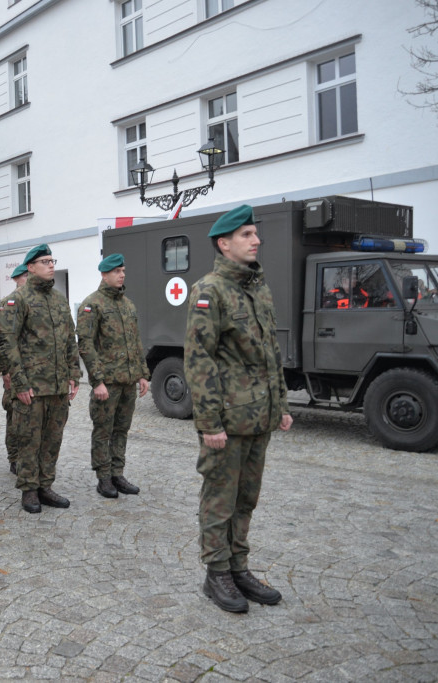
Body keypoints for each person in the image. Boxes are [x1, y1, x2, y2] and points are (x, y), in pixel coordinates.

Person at [184, 204, 293, 613]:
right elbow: (200, 360)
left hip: (258, 416)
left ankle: (239, 566)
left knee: (246, 498)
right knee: (219, 498)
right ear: (224, 243)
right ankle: (217, 573)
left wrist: (279, 404)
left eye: (255, 234)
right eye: (247, 235)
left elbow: (270, 353)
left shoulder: (257, 288)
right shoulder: (209, 291)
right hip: (226, 420)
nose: (256, 240)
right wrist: (209, 421)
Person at [0, 243, 80, 514]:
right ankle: (29, 490)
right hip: (31, 385)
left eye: (52, 260)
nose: (51, 265)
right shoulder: (19, 300)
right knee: (29, 439)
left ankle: (46, 485)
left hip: (56, 385)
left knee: (52, 439)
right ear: (30, 267)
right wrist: (19, 382)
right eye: (44, 261)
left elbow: (69, 339)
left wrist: (73, 374)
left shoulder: (58, 299)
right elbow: (7, 343)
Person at [76, 253, 150, 499]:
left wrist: (142, 374)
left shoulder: (128, 305)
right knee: (103, 430)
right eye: (117, 271)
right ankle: (103, 477)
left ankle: (118, 473)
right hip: (107, 384)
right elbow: (86, 345)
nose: (122, 275)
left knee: (121, 429)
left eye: (123, 271)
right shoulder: (92, 305)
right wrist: (97, 380)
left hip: (128, 381)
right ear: (104, 274)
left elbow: (136, 342)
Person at [0, 263, 29, 475]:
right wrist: (4, 370)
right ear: (17, 279)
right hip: (14, 371)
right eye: (26, 276)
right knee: (14, 416)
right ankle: (14, 456)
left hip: (33, 372)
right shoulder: (7, 304)